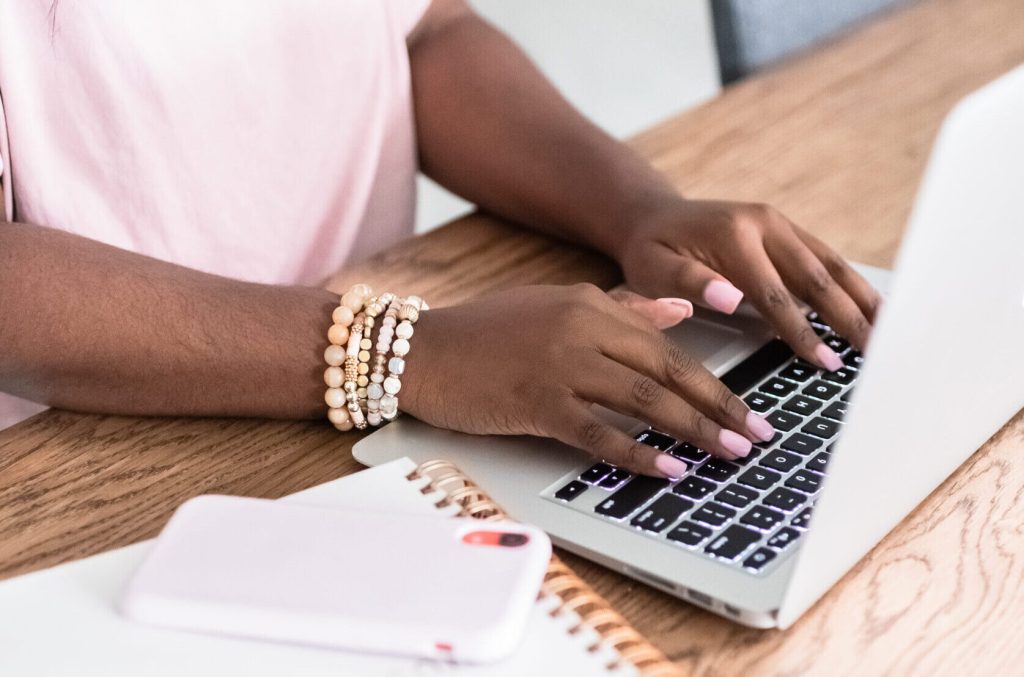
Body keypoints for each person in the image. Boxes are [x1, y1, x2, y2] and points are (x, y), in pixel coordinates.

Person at [0, 0, 879, 479]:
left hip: (382, 417)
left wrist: (636, 209)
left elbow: (427, 31)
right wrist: (409, 352)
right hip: (79, 459)